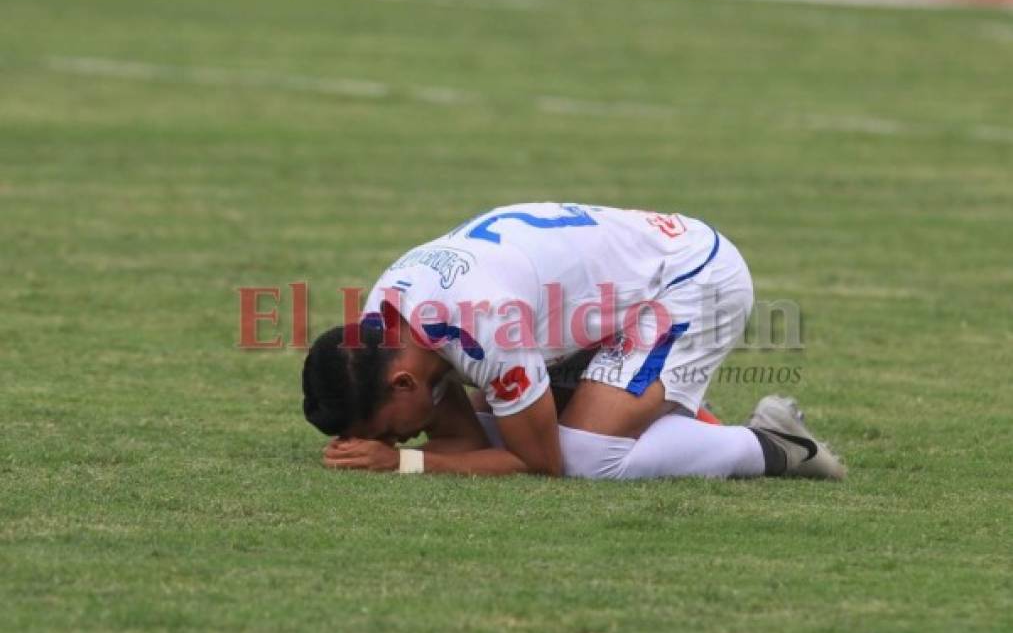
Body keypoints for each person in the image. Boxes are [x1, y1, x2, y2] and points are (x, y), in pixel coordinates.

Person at [302, 202, 845, 480]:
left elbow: (540, 464)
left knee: (587, 455)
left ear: (401, 381)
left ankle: (775, 444)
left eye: (390, 431)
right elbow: (467, 447)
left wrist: (406, 465)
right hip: (608, 302)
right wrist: (410, 453)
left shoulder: (483, 325)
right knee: (501, 427)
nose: (395, 441)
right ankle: (667, 413)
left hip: (688, 280)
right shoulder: (387, 320)